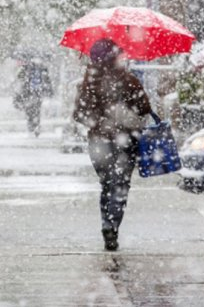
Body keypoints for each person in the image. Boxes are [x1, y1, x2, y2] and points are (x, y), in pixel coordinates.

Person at [73, 39, 153, 251]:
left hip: (98, 143)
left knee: (107, 184)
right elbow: (145, 108)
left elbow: (79, 114)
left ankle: (107, 224)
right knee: (120, 185)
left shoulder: (88, 83)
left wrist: (99, 122)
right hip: (125, 141)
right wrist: (124, 117)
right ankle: (112, 225)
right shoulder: (128, 80)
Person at [14, 59, 53, 136]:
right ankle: (35, 125)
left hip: (31, 93)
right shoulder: (41, 68)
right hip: (34, 93)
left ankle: (33, 125)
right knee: (34, 110)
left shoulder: (29, 67)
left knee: (32, 110)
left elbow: (19, 77)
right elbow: (47, 80)